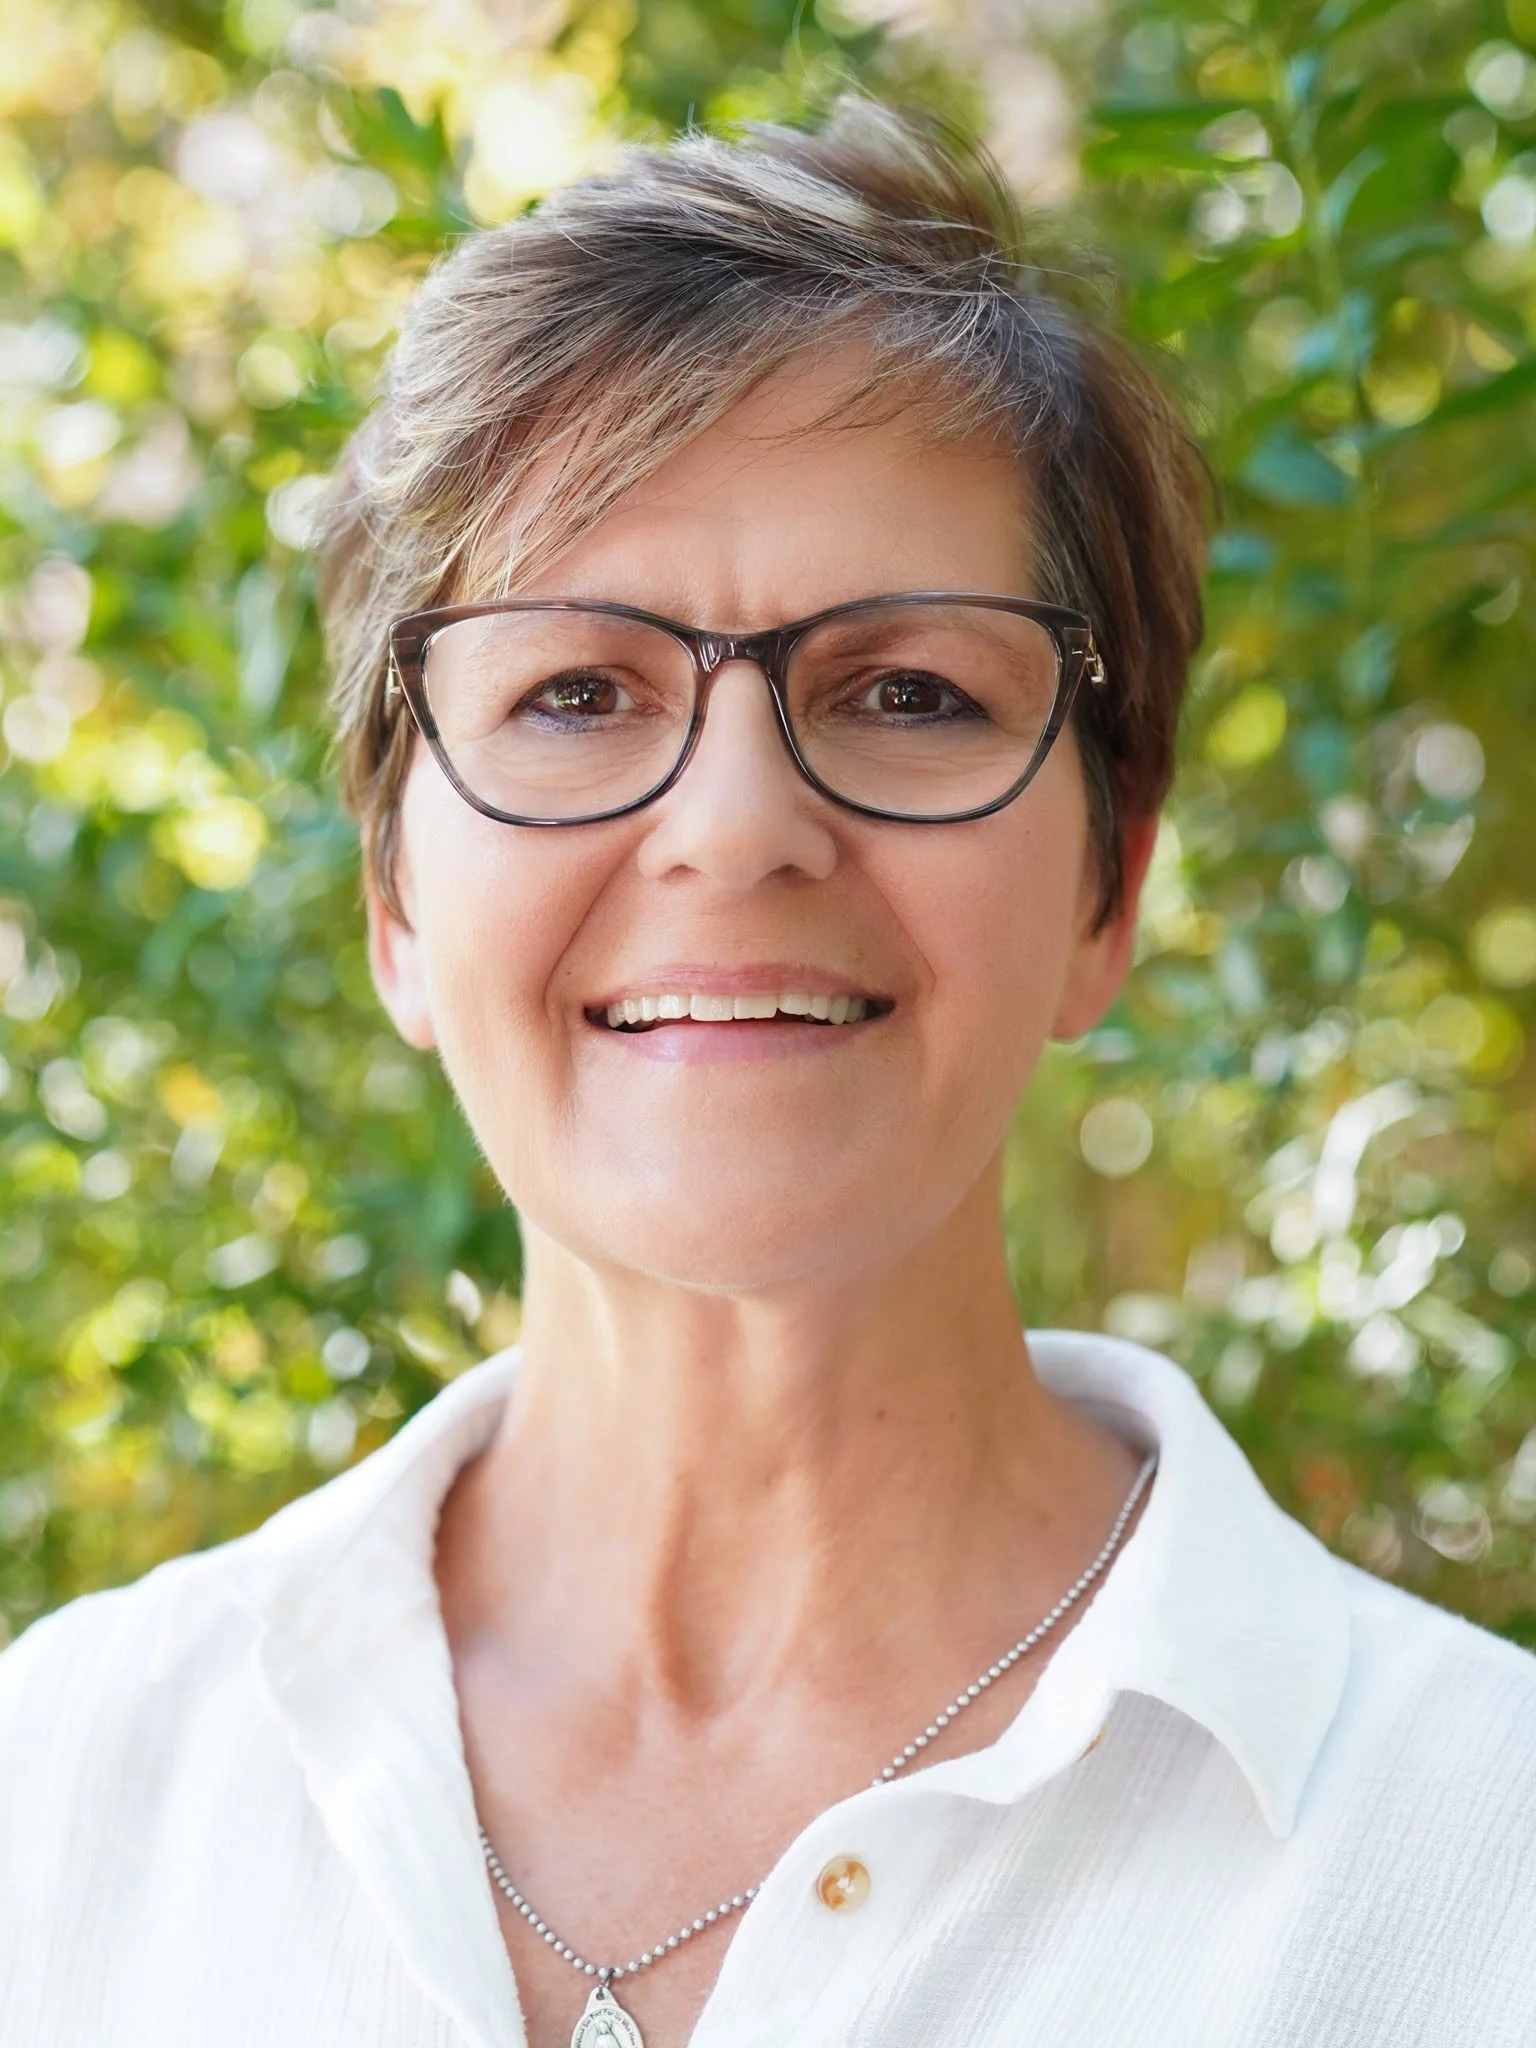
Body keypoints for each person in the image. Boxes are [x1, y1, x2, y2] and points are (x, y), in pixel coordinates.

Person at [1, 98, 1533, 2048]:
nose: (735, 830)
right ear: (396, 898)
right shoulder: (56, 1797)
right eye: (575, 690)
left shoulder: (1487, 1869)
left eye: (908, 692)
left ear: (1108, 889)